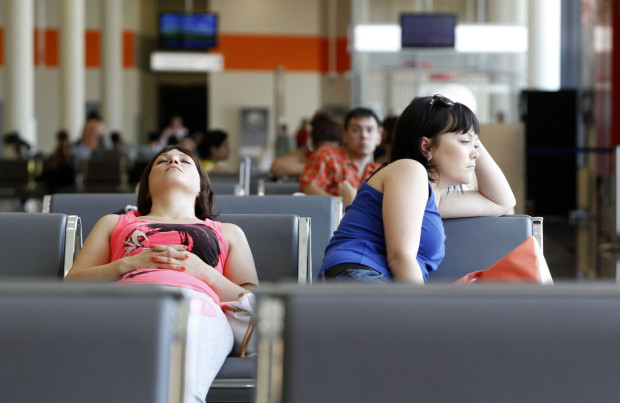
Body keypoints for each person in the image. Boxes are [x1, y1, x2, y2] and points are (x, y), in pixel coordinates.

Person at [65, 145, 259, 401]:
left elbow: (254, 302)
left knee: (181, 388)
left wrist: (204, 273)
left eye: (184, 161)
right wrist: (128, 264)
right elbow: (72, 283)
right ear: (146, 185)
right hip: (123, 300)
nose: (173, 161)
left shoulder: (228, 232)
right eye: (162, 161)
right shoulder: (115, 223)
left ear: (201, 184)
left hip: (198, 307)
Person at [318, 95, 516, 284]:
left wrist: (470, 134)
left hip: (370, 281)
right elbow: (401, 257)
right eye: (464, 142)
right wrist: (422, 311)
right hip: (358, 275)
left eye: (476, 144)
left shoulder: (434, 198)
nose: (475, 154)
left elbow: (502, 202)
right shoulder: (409, 170)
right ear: (426, 146)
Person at [299, 107, 383, 207]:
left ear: (378, 137)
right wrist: (341, 204)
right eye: (356, 130)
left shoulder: (380, 171)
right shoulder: (327, 155)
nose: (364, 135)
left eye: (369, 130)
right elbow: (308, 187)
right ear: (345, 135)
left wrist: (351, 203)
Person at [270, 114, 342, 178]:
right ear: (315, 147)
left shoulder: (343, 160)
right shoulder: (306, 156)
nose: (328, 156)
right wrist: (316, 167)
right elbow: (276, 166)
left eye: (332, 151)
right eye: (323, 151)